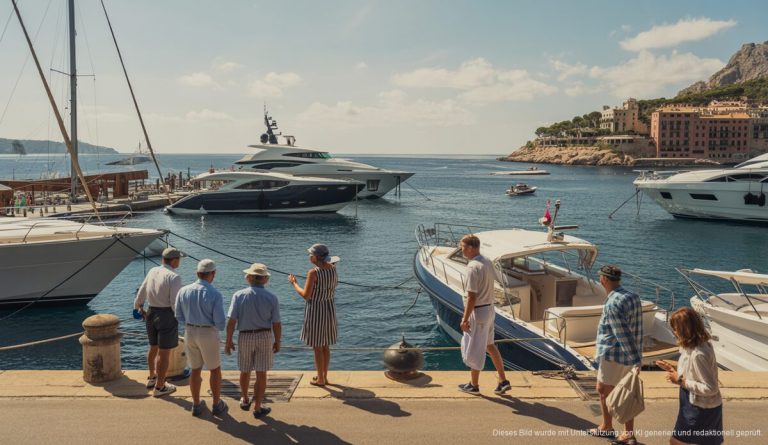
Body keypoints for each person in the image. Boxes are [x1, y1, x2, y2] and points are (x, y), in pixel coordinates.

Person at [588, 265, 643, 445]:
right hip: (629, 354)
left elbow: (622, 334)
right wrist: (637, 356)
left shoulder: (612, 303)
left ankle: (607, 427)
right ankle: (627, 432)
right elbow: (637, 330)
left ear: (603, 279)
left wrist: (636, 360)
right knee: (626, 392)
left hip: (613, 355)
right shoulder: (633, 297)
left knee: (603, 390)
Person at [657, 307, 723, 445]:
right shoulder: (694, 346)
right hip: (699, 404)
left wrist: (680, 380)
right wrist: (672, 369)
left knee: (676, 442)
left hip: (700, 409)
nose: (674, 332)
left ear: (685, 330)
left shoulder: (699, 354)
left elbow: (711, 388)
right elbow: (694, 372)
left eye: (676, 329)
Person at [225, 263, 282, 419]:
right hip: (264, 335)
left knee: (245, 370)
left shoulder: (239, 295)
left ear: (249, 278)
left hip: (245, 335)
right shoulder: (272, 297)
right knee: (261, 373)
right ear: (264, 279)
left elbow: (231, 321)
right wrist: (278, 341)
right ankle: (257, 406)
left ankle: (244, 398)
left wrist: (228, 340)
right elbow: (276, 323)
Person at [456, 234, 511, 395]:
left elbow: (471, 297)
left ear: (472, 248)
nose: (462, 250)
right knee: (489, 345)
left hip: (478, 312)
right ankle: (503, 380)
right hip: (489, 309)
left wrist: (464, 319)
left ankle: (474, 385)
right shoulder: (486, 261)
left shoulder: (472, 267)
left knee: (474, 349)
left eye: (463, 247)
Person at [175, 259, 227, 417]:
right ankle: (217, 404)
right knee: (215, 370)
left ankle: (196, 404)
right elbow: (220, 322)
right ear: (213, 274)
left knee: (195, 369)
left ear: (197, 273)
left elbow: (178, 315)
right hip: (207, 332)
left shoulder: (183, 291)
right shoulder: (215, 294)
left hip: (189, 331)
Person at [133, 247, 183, 397]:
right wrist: (181, 318)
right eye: (179, 259)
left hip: (151, 312)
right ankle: (160, 387)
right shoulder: (174, 276)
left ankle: (152, 377)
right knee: (164, 352)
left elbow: (142, 290)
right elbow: (175, 303)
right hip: (166, 314)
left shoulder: (152, 271)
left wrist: (137, 307)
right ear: (174, 260)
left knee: (153, 347)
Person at [288, 243, 339, 387]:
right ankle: (324, 376)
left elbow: (306, 295)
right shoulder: (334, 269)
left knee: (317, 347)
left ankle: (321, 379)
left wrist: (294, 283)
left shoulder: (313, 273)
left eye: (311, 254)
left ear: (316, 257)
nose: (309, 256)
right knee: (325, 345)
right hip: (329, 308)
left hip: (316, 309)